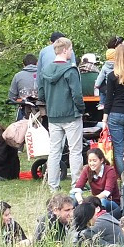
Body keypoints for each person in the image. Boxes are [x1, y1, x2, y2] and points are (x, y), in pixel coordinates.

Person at [38, 37, 86, 190]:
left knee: (54, 151)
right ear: (65, 50)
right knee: (75, 151)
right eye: (71, 49)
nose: (71, 52)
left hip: (53, 115)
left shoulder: (45, 70)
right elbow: (77, 94)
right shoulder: (71, 70)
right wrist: (81, 108)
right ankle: (76, 185)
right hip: (71, 114)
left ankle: (53, 185)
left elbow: (41, 94)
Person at [73, 148, 121, 215]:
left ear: (101, 160)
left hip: (110, 202)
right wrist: (80, 201)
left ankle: (99, 217)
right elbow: (78, 187)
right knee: (73, 195)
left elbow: (107, 192)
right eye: (90, 161)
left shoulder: (110, 171)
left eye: (94, 161)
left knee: (102, 201)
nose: (91, 163)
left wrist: (90, 201)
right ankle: (75, 215)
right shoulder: (87, 169)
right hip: (95, 201)